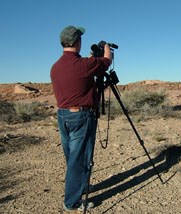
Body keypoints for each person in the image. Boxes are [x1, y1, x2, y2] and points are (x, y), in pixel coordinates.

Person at [50, 25, 112, 211]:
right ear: (77, 41)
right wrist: (107, 49)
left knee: (72, 157)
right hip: (81, 117)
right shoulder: (84, 65)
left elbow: (85, 71)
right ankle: (72, 202)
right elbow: (106, 61)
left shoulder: (56, 67)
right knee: (79, 159)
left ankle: (81, 186)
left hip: (63, 116)